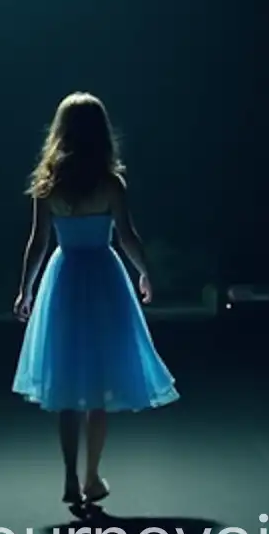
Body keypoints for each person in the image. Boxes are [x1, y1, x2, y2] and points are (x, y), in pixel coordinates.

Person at [11, 91, 179, 506]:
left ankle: (70, 476)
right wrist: (144, 272)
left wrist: (26, 289)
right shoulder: (110, 183)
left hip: (64, 277)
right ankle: (91, 477)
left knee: (66, 383)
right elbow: (126, 236)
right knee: (99, 382)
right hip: (104, 278)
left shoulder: (48, 184)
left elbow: (37, 244)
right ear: (101, 133)